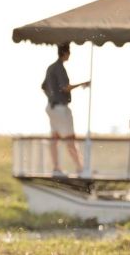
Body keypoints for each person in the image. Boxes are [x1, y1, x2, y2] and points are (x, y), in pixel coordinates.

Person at [41, 43, 89, 176]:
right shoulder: (59, 68)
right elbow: (65, 88)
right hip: (61, 108)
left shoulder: (51, 68)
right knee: (70, 139)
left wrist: (51, 96)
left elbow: (43, 86)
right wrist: (82, 84)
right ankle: (80, 167)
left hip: (51, 107)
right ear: (66, 53)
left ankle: (56, 167)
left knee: (55, 138)